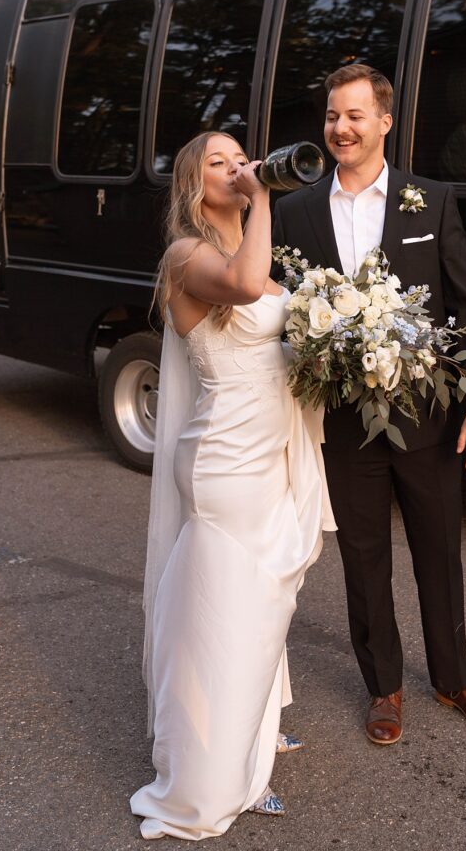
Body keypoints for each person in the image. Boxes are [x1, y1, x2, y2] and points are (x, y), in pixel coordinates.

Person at [272, 64, 466, 746]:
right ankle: (383, 687)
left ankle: (455, 679)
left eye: (353, 116)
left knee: (439, 552)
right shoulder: (294, 211)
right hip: (344, 419)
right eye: (331, 116)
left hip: (428, 418)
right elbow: (283, 313)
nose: (340, 129)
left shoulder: (429, 200)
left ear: (383, 121)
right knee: (363, 555)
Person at [130, 131, 335, 840]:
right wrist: (264, 200)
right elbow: (249, 289)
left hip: (266, 452)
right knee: (228, 622)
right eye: (220, 162)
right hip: (224, 460)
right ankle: (209, 783)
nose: (239, 167)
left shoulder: (244, 249)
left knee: (256, 616)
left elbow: (271, 320)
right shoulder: (186, 256)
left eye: (241, 157)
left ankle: (247, 737)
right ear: (193, 184)